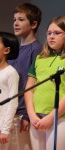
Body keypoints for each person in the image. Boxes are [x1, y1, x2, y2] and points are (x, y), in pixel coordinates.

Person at [25, 16, 65, 150]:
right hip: (36, 118)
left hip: (60, 119)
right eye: (49, 33)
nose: (51, 37)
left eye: (57, 33)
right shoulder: (39, 58)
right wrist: (31, 114)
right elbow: (29, 88)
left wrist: (51, 118)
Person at [8, 3, 42, 150]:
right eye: (14, 19)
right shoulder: (12, 49)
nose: (16, 23)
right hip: (10, 111)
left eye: (21, 19)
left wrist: (27, 115)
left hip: (23, 114)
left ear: (33, 24)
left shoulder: (37, 49)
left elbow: (33, 85)